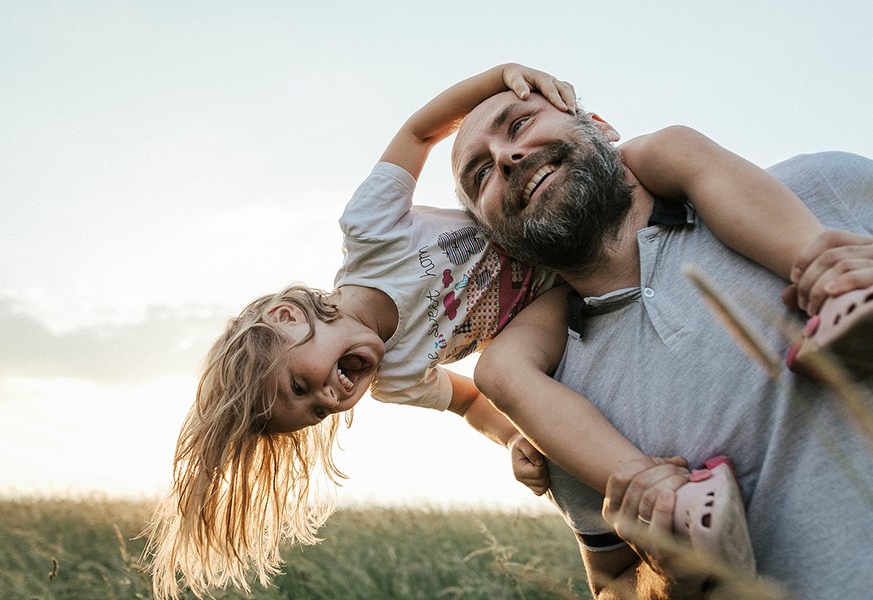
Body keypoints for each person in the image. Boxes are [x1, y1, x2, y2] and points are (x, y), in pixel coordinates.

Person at [143, 64, 840, 599]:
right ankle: (665, 501)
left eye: (304, 382)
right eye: (316, 410)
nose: (330, 395)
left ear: (288, 317)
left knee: (672, 147)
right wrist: (521, 442)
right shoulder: (397, 380)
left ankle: (832, 277)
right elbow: (476, 400)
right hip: (549, 293)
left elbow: (420, 132)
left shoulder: (371, 232)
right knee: (502, 374)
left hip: (559, 256)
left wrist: (500, 75)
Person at [454, 88, 873, 599]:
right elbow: (612, 588)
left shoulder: (823, 188)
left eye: (519, 124)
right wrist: (668, 576)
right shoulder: (554, 410)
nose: (506, 157)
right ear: (497, 237)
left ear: (602, 126)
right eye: (480, 176)